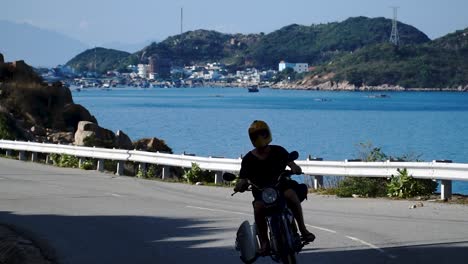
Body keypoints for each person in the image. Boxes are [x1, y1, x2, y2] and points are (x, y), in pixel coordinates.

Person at [234, 120, 315, 255]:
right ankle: (265, 242)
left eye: (262, 133)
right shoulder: (248, 159)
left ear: (267, 133)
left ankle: (303, 229)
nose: (259, 137)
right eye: (256, 135)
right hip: (261, 192)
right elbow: (242, 178)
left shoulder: (278, 151)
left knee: (291, 194)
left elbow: (292, 164)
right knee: (258, 207)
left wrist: (295, 168)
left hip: (281, 187)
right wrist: (240, 185)